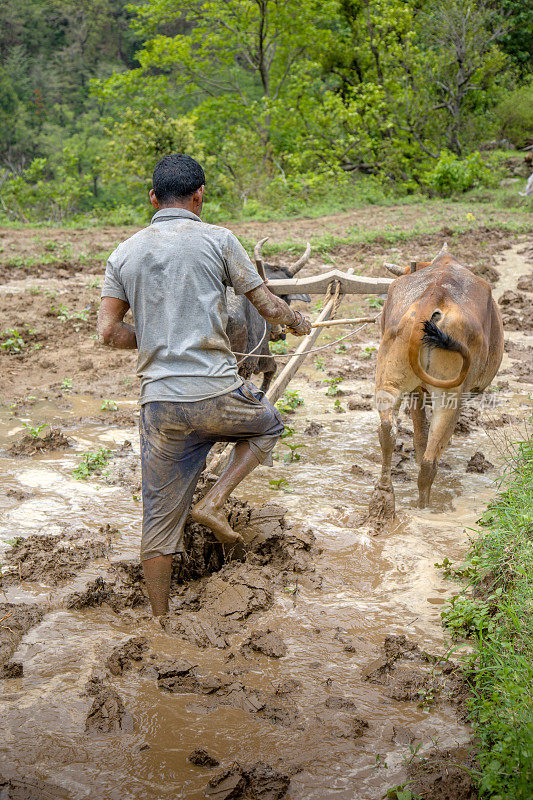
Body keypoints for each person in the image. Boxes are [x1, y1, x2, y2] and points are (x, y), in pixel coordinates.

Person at [97, 153, 312, 616]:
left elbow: (108, 333)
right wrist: (296, 320)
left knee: (158, 519)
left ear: (152, 199)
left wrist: (156, 334)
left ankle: (159, 623)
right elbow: (269, 307)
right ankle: (214, 502)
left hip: (161, 408)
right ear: (200, 197)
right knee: (269, 426)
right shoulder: (219, 239)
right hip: (217, 394)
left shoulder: (123, 253)